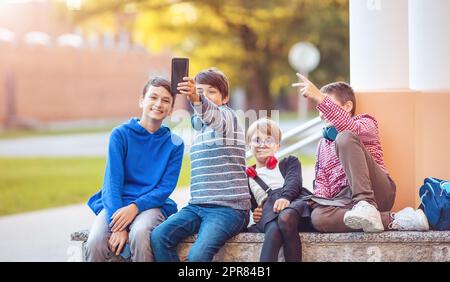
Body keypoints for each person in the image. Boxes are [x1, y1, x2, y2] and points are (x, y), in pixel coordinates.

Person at [292, 74, 429, 233]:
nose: (321, 114)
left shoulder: (366, 123)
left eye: (326, 106)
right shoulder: (322, 144)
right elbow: (322, 181)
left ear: (347, 106)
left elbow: (349, 129)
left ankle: (366, 205)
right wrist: (319, 201)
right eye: (319, 109)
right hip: (346, 201)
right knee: (318, 218)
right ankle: (394, 219)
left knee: (344, 137)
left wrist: (320, 98)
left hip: (378, 191)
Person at [151, 68, 251, 262]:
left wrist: (197, 98)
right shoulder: (200, 129)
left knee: (197, 256)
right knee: (159, 236)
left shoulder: (228, 118)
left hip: (229, 208)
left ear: (225, 98)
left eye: (211, 91)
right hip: (197, 206)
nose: (205, 95)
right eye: (200, 91)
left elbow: (214, 116)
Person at [85, 77, 184, 261]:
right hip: (117, 203)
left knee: (139, 233)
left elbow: (164, 189)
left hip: (152, 205)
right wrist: (119, 227)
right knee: (95, 241)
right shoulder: (120, 134)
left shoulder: (175, 144)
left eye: (165, 100)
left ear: (170, 109)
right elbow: (112, 183)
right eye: (153, 97)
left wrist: (135, 207)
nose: (158, 104)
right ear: (141, 100)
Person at [246, 118, 314, 262]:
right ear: (249, 145)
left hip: (293, 206)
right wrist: (256, 212)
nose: (262, 144)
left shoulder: (289, 162)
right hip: (269, 215)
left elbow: (294, 182)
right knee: (274, 230)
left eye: (269, 140)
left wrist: (285, 198)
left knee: (285, 218)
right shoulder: (247, 178)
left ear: (277, 146)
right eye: (257, 140)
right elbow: (252, 206)